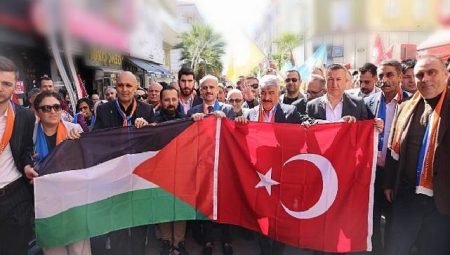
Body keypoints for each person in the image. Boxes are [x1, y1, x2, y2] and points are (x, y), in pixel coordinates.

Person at [384, 55, 450, 255]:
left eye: (432, 72)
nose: (426, 79)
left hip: (442, 199)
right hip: (407, 194)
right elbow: (393, 149)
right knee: (396, 248)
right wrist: (388, 182)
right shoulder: (405, 108)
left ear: (446, 75)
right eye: (420, 74)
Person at [88, 71, 154, 255]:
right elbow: (96, 139)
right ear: (116, 86)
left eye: (129, 86)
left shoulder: (147, 110)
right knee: (118, 224)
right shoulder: (103, 109)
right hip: (114, 176)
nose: (124, 89)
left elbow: (155, 140)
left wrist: (148, 127)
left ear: (136, 88)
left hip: (139, 175)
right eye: (121, 85)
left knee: (139, 223)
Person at [28, 91, 91, 255]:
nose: (52, 111)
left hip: (74, 199)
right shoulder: (30, 134)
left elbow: (88, 160)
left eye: (56, 107)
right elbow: (23, 161)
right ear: (37, 111)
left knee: (79, 248)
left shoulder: (75, 129)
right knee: (53, 249)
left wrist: (78, 143)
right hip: (46, 202)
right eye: (46, 108)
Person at [364, 59, 410, 254]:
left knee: (393, 221)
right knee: (372, 220)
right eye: (381, 76)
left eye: (390, 75)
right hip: (373, 172)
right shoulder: (367, 102)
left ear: (400, 76)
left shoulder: (412, 103)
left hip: (397, 173)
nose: (385, 80)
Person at [187, 74, 234, 255]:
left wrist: (226, 121)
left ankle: (227, 240)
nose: (208, 91)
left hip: (223, 165)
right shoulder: (193, 111)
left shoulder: (228, 110)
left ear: (218, 90)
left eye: (211, 88)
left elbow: (237, 133)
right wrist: (193, 122)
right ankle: (208, 241)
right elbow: (187, 137)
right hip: (202, 165)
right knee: (206, 202)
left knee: (225, 203)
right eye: (205, 88)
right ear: (200, 91)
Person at [0, 56, 35, 255]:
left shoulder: (25, 116)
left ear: (15, 87)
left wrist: (27, 166)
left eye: (6, 84)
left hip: (15, 197)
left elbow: (25, 151)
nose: (1, 88)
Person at [154, 86, 189, 255]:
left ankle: (179, 242)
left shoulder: (187, 120)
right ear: (161, 102)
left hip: (182, 172)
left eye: (174, 100)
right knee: (164, 207)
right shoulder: (153, 121)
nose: (170, 103)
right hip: (161, 172)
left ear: (178, 101)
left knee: (181, 207)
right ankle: (166, 241)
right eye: (167, 100)